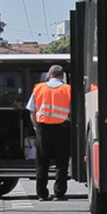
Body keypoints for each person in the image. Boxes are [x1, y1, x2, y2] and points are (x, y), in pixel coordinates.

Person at [28, 65, 71, 201]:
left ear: (49, 75)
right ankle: (59, 193)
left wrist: (36, 127)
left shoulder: (38, 88)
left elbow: (32, 110)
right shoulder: (68, 89)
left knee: (42, 162)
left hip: (43, 128)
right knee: (61, 162)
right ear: (62, 76)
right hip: (62, 128)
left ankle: (41, 193)